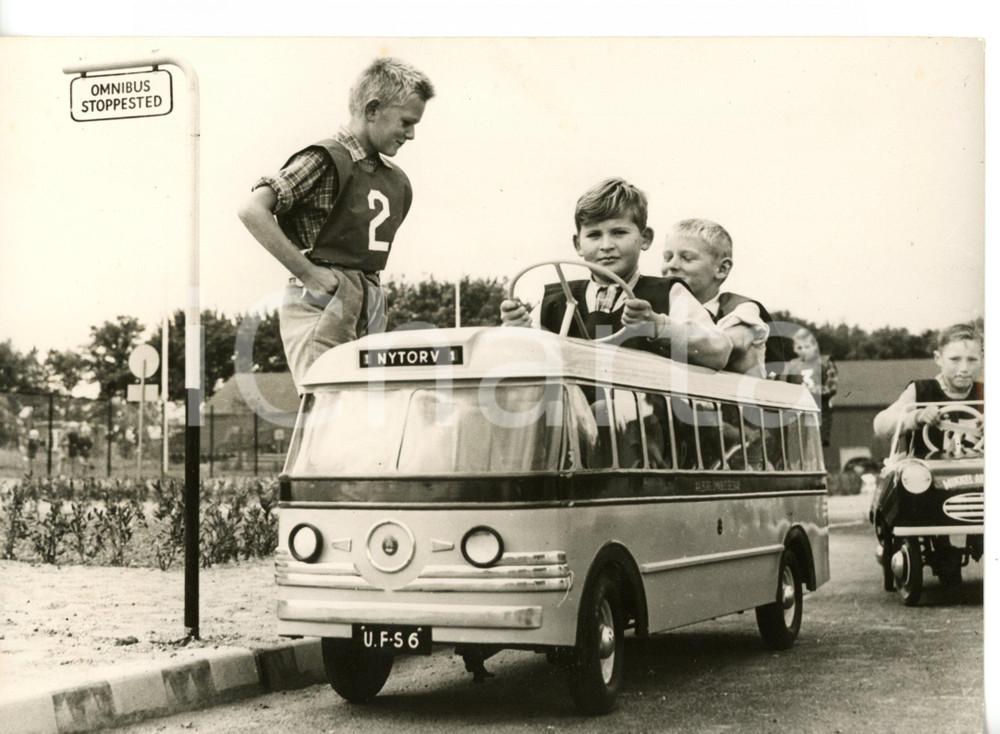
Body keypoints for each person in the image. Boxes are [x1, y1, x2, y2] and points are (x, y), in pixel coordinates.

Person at [238, 58, 435, 391]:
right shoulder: (327, 158)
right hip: (325, 294)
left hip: (368, 297)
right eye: (405, 122)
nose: (411, 134)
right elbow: (252, 209)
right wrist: (308, 273)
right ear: (372, 109)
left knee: (363, 408)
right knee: (327, 405)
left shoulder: (393, 179)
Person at [499, 178, 731, 370]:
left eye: (619, 232)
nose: (606, 245)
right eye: (594, 235)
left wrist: (658, 325)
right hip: (571, 420)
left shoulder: (667, 293)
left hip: (647, 420)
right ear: (577, 244)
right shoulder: (554, 301)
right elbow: (515, 361)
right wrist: (519, 330)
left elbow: (720, 351)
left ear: (645, 238)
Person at [660, 219, 788, 378]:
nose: (672, 265)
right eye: (667, 257)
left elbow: (732, 343)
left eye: (686, 258)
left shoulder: (741, 308)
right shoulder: (660, 306)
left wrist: (661, 331)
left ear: (722, 269)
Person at [873, 323, 983, 455]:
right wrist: (916, 417)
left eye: (972, 360)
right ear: (938, 359)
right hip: (927, 472)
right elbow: (881, 425)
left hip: (976, 473)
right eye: (955, 359)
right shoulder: (920, 391)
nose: (964, 368)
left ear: (982, 358)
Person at [785, 327, 838, 446]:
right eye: (799, 347)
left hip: (819, 408)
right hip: (799, 410)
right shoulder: (793, 364)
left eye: (807, 347)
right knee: (798, 442)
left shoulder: (824, 362)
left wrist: (815, 391)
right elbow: (788, 386)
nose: (803, 351)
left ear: (815, 347)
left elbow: (832, 385)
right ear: (794, 348)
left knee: (816, 443)